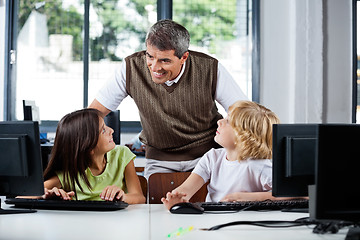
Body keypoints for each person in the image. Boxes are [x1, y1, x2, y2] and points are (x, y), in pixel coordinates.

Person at [89, 19, 247, 179]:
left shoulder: (210, 68)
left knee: (209, 203)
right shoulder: (131, 67)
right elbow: (93, 113)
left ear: (184, 57)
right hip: (159, 158)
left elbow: (244, 113)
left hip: (208, 155)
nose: (155, 67)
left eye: (165, 60)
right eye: (150, 56)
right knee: (156, 202)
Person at [161, 100, 284, 209]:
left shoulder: (259, 166)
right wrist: (176, 198)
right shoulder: (212, 157)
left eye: (228, 121)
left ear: (244, 137)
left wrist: (246, 197)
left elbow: (297, 195)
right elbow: (186, 189)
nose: (220, 121)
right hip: (214, 221)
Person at [43, 108, 145, 204]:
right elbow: (31, 194)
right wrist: (46, 194)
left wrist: (122, 197)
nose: (111, 130)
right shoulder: (70, 173)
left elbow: (139, 198)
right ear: (89, 147)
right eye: (103, 130)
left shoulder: (122, 155)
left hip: (115, 221)